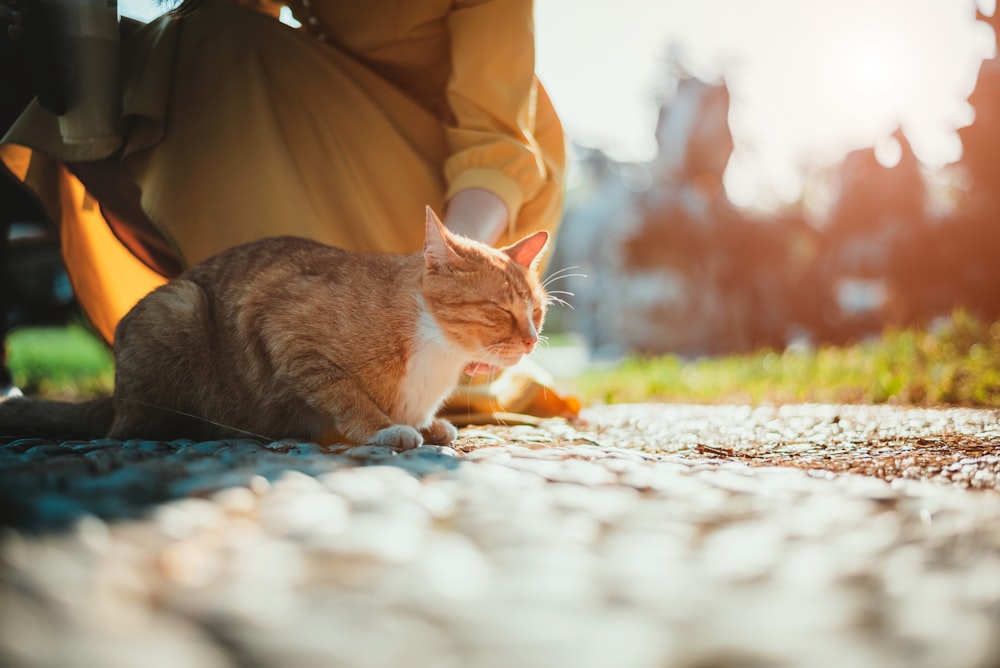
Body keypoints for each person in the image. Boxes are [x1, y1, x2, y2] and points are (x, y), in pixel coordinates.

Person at [0, 0, 576, 419]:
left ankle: (304, 379)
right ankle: (245, 372)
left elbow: (495, 145)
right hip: (330, 110)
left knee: (215, 44)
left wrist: (454, 267)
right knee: (133, 55)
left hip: (476, 184)